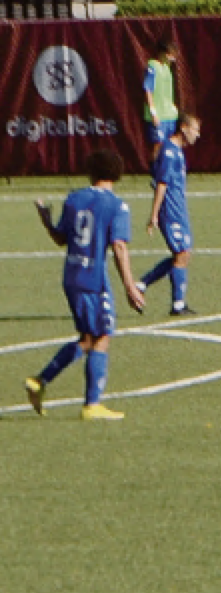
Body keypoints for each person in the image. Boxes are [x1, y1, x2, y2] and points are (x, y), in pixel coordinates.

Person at [26, 150, 148, 421]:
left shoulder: (74, 199)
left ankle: (40, 381)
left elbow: (61, 238)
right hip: (94, 280)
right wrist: (130, 286)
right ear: (117, 173)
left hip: (71, 276)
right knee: (102, 336)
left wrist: (46, 219)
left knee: (87, 339)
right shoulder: (117, 206)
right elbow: (118, 246)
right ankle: (92, 404)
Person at [140, 115, 202, 317]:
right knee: (182, 254)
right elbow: (162, 184)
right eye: (195, 130)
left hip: (179, 210)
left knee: (183, 254)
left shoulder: (177, 151)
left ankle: (142, 284)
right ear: (183, 128)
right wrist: (154, 215)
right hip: (170, 211)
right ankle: (177, 305)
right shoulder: (168, 152)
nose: (197, 135)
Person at [142, 44, 184, 154]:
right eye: (169, 54)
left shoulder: (167, 68)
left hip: (170, 116)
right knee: (158, 145)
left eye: (173, 55)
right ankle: (155, 171)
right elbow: (148, 90)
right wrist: (153, 113)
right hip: (158, 116)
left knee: (170, 145)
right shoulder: (152, 66)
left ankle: (167, 170)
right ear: (162, 53)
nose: (172, 58)